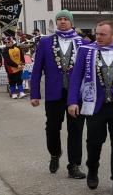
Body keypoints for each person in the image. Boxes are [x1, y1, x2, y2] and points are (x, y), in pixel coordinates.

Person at [67, 20, 113, 195]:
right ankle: (92, 169)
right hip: (95, 104)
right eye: (97, 33)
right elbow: (76, 77)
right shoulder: (86, 51)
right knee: (94, 142)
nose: (97, 37)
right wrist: (72, 101)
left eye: (102, 34)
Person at [30, 10, 87, 178]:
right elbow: (37, 69)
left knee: (75, 129)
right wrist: (34, 94)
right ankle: (55, 153)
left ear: (71, 22)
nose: (62, 22)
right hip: (54, 92)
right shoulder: (46, 43)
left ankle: (74, 165)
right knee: (53, 127)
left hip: (76, 94)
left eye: (65, 19)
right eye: (59, 19)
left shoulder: (82, 43)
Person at [2, 34, 26, 99]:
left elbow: (22, 56)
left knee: (19, 79)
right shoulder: (5, 50)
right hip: (10, 68)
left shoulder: (18, 48)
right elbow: (8, 60)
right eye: (6, 42)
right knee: (12, 81)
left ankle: (21, 92)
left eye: (9, 42)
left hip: (19, 67)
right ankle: (13, 93)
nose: (7, 43)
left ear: (12, 42)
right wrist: (16, 65)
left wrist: (23, 63)